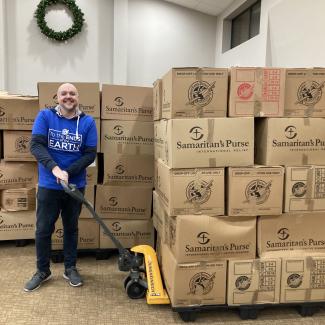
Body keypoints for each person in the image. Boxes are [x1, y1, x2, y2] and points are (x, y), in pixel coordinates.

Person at [24, 83, 97, 292]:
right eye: (63, 93)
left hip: (75, 184)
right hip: (49, 184)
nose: (68, 96)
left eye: (72, 93)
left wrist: (68, 172)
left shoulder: (87, 122)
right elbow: (36, 145)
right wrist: (55, 169)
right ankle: (42, 270)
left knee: (71, 228)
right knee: (44, 229)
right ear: (57, 97)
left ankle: (70, 267)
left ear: (78, 97)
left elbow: (90, 153)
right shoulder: (45, 116)